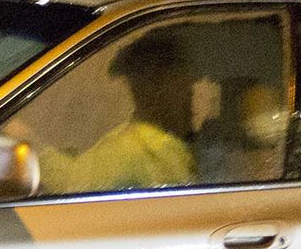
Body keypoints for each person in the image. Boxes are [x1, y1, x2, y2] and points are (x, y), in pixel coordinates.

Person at [27, 36, 200, 195]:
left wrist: (31, 145)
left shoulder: (143, 149)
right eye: (183, 77)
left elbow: (73, 185)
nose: (190, 87)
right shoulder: (142, 145)